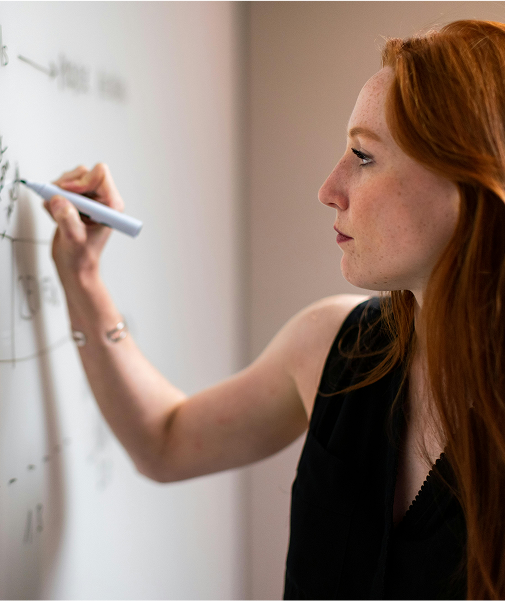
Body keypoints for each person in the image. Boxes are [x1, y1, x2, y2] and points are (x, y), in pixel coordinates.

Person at [43, 20, 505, 601]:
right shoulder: (335, 346)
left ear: (468, 184)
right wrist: (84, 279)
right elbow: (163, 441)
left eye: (363, 155)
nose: (329, 188)